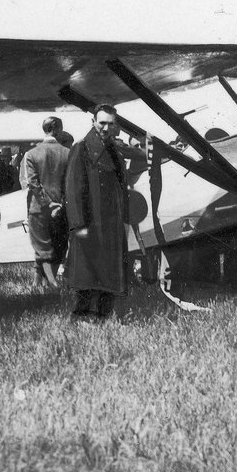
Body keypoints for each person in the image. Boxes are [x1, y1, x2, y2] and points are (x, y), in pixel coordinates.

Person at [66, 104, 129, 319]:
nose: (105, 127)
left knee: (108, 270)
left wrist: (125, 219)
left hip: (111, 222)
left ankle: (104, 314)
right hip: (90, 222)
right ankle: (81, 315)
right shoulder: (81, 148)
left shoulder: (114, 150)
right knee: (86, 272)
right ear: (93, 122)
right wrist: (78, 225)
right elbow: (73, 189)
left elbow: (122, 187)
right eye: (101, 122)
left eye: (110, 124)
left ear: (115, 125)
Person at [21, 116, 70, 289]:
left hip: (38, 209)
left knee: (41, 247)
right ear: (58, 129)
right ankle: (48, 281)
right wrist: (59, 203)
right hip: (61, 207)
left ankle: (49, 283)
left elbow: (33, 183)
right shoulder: (67, 152)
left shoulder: (32, 154)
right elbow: (68, 183)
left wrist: (47, 203)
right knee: (57, 247)